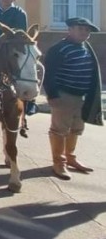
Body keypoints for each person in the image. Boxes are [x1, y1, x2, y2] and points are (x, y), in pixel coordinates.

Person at [42, 17, 102, 180]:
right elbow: (49, 74)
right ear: (70, 30)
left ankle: (70, 157)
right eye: (80, 29)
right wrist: (53, 96)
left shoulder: (86, 47)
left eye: (87, 30)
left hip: (81, 96)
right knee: (59, 130)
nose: (84, 33)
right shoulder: (59, 49)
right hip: (63, 96)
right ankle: (58, 162)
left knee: (76, 128)